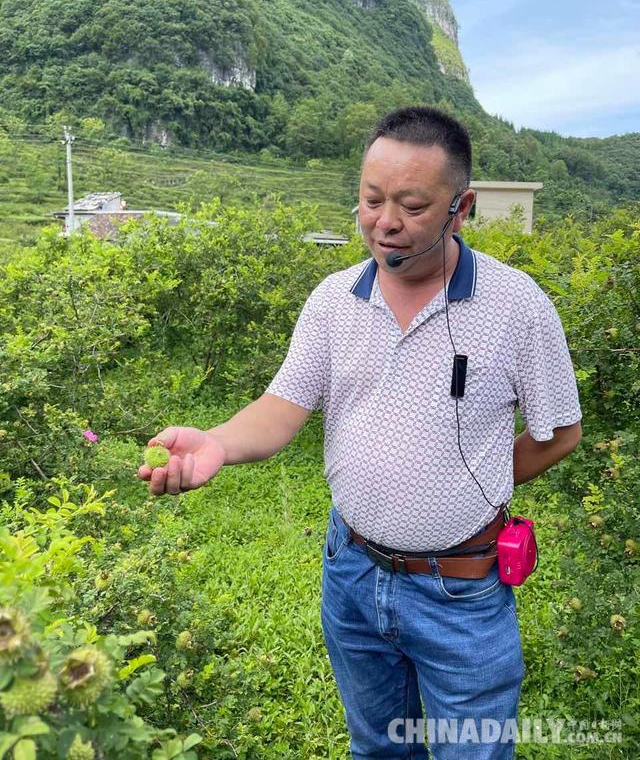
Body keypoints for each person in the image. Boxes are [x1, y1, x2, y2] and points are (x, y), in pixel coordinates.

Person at [137, 106, 582, 759]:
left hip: (461, 589)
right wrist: (219, 442)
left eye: (412, 204)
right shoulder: (332, 300)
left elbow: (560, 432)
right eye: (372, 199)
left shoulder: (515, 306)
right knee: (375, 746)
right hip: (351, 572)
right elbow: (281, 407)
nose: (385, 221)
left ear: (462, 208)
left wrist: (469, 485)